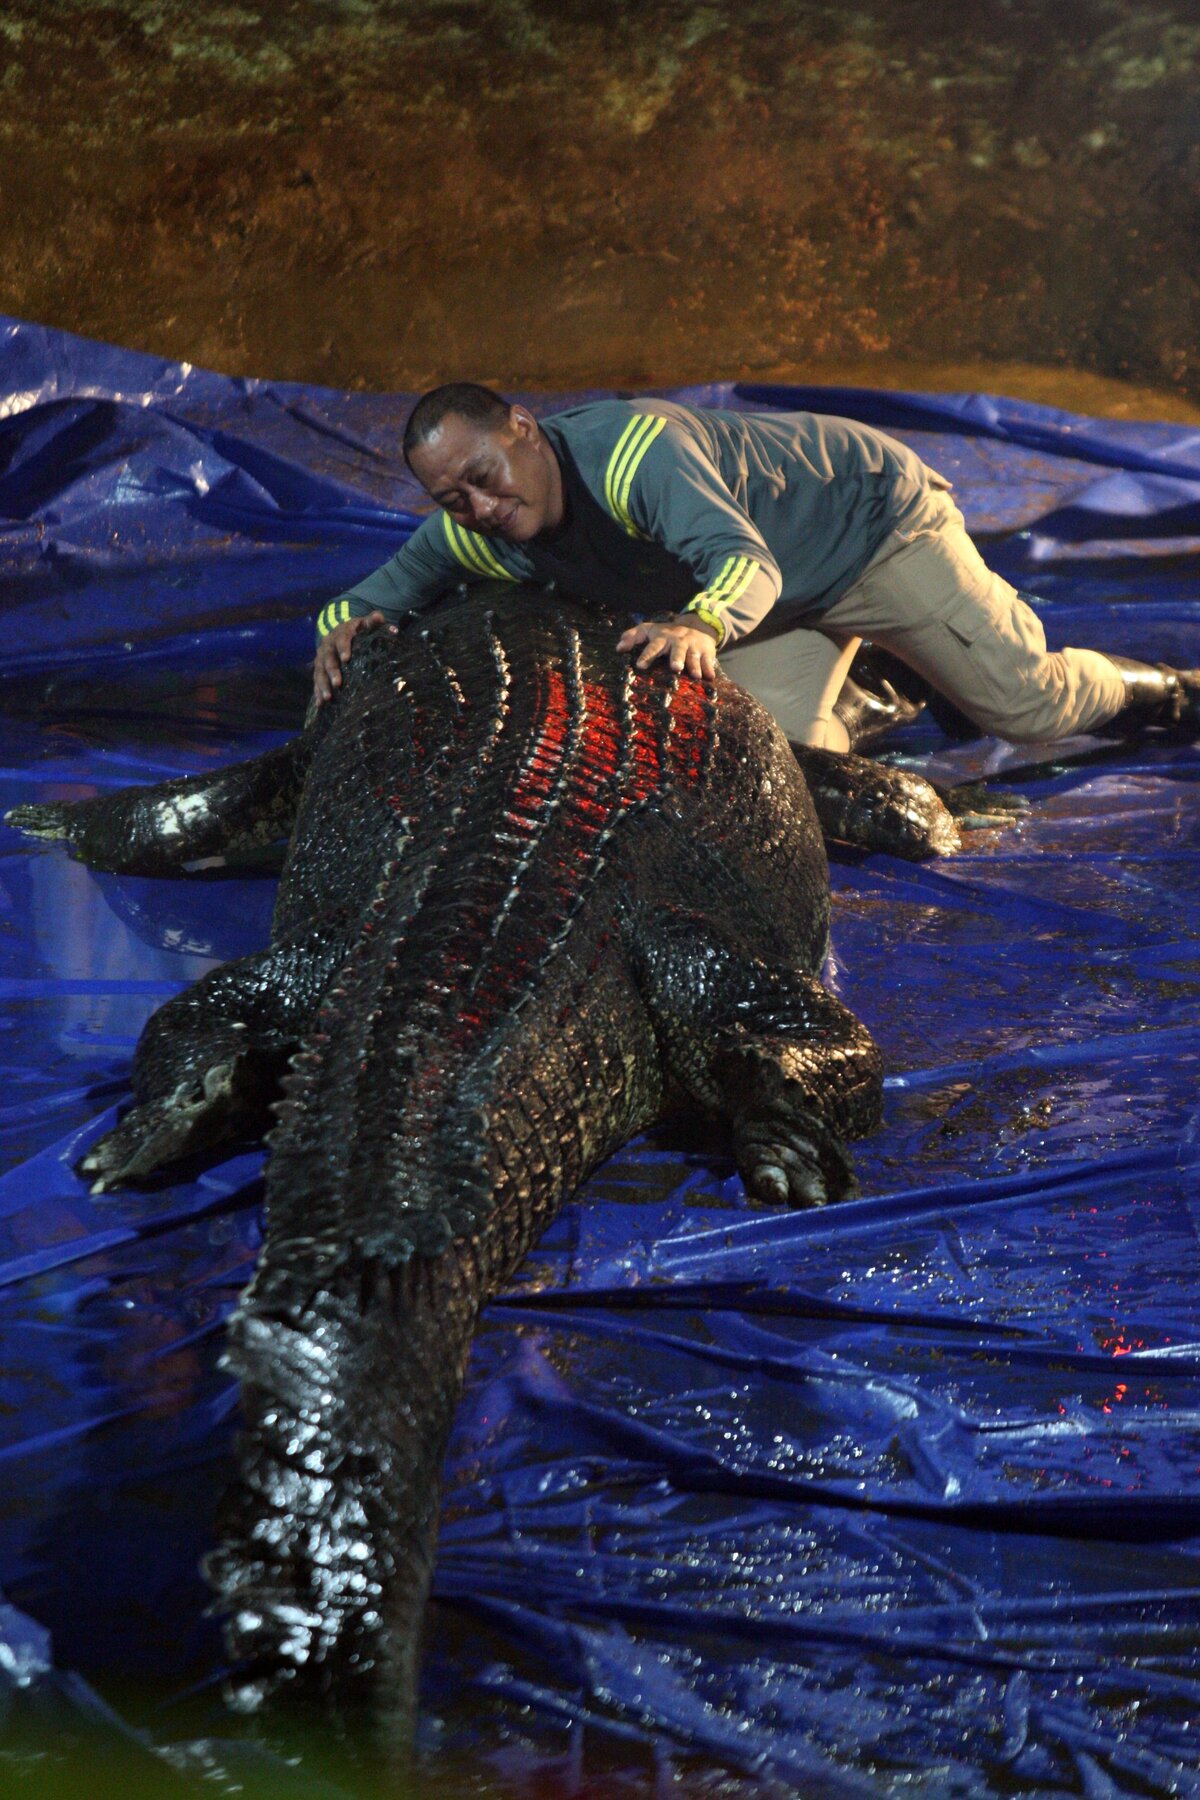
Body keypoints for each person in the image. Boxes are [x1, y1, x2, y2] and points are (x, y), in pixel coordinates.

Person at [311, 383, 1200, 747]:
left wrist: (698, 622)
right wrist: (338, 632)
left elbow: (744, 564)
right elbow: (358, 600)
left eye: (484, 477)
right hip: (772, 605)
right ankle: (880, 683)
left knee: (1027, 710)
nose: (480, 507)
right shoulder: (475, 532)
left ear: (524, 429)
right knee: (790, 774)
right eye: (451, 498)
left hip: (867, 531)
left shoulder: (636, 455)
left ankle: (1171, 691)